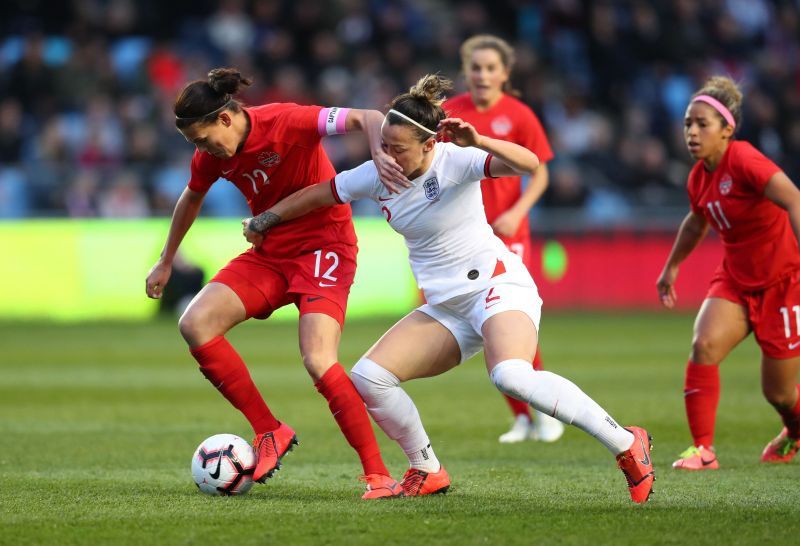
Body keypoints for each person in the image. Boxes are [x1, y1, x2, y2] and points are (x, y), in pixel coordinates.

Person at [245, 75, 655, 503]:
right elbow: (319, 194)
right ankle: (427, 468)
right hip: (447, 307)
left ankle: (627, 444)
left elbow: (529, 164)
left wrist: (479, 140)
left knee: (511, 375)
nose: (386, 154)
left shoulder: (455, 160)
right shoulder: (376, 174)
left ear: (427, 145)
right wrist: (266, 219)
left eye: (397, 148)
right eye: (382, 144)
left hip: (497, 286)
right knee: (370, 378)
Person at [145, 67, 409, 499]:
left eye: (204, 139)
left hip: (325, 248)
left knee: (318, 359)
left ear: (225, 119)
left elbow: (366, 116)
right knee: (195, 323)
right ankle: (269, 430)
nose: (205, 150)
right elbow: (191, 196)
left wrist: (380, 154)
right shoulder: (211, 155)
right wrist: (166, 260)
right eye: (196, 144)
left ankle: (378, 475)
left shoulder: (288, 121)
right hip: (270, 253)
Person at [657, 76, 800, 470]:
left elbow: (794, 199)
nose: (692, 132)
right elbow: (696, 222)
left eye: (703, 124)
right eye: (688, 123)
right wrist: (671, 267)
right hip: (736, 280)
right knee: (703, 346)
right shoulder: (699, 176)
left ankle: (795, 429)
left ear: (727, 130)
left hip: (783, 283)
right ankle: (703, 449)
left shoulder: (746, 160)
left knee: (780, 394)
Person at [443, 34, 564, 444]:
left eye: (491, 68)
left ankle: (546, 412)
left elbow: (540, 170)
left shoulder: (519, 114)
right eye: (475, 67)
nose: (482, 75)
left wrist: (517, 210)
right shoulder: (450, 113)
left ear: (504, 73)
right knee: (484, 326)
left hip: (506, 233)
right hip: (464, 236)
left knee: (508, 318)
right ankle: (524, 418)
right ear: (466, 71)